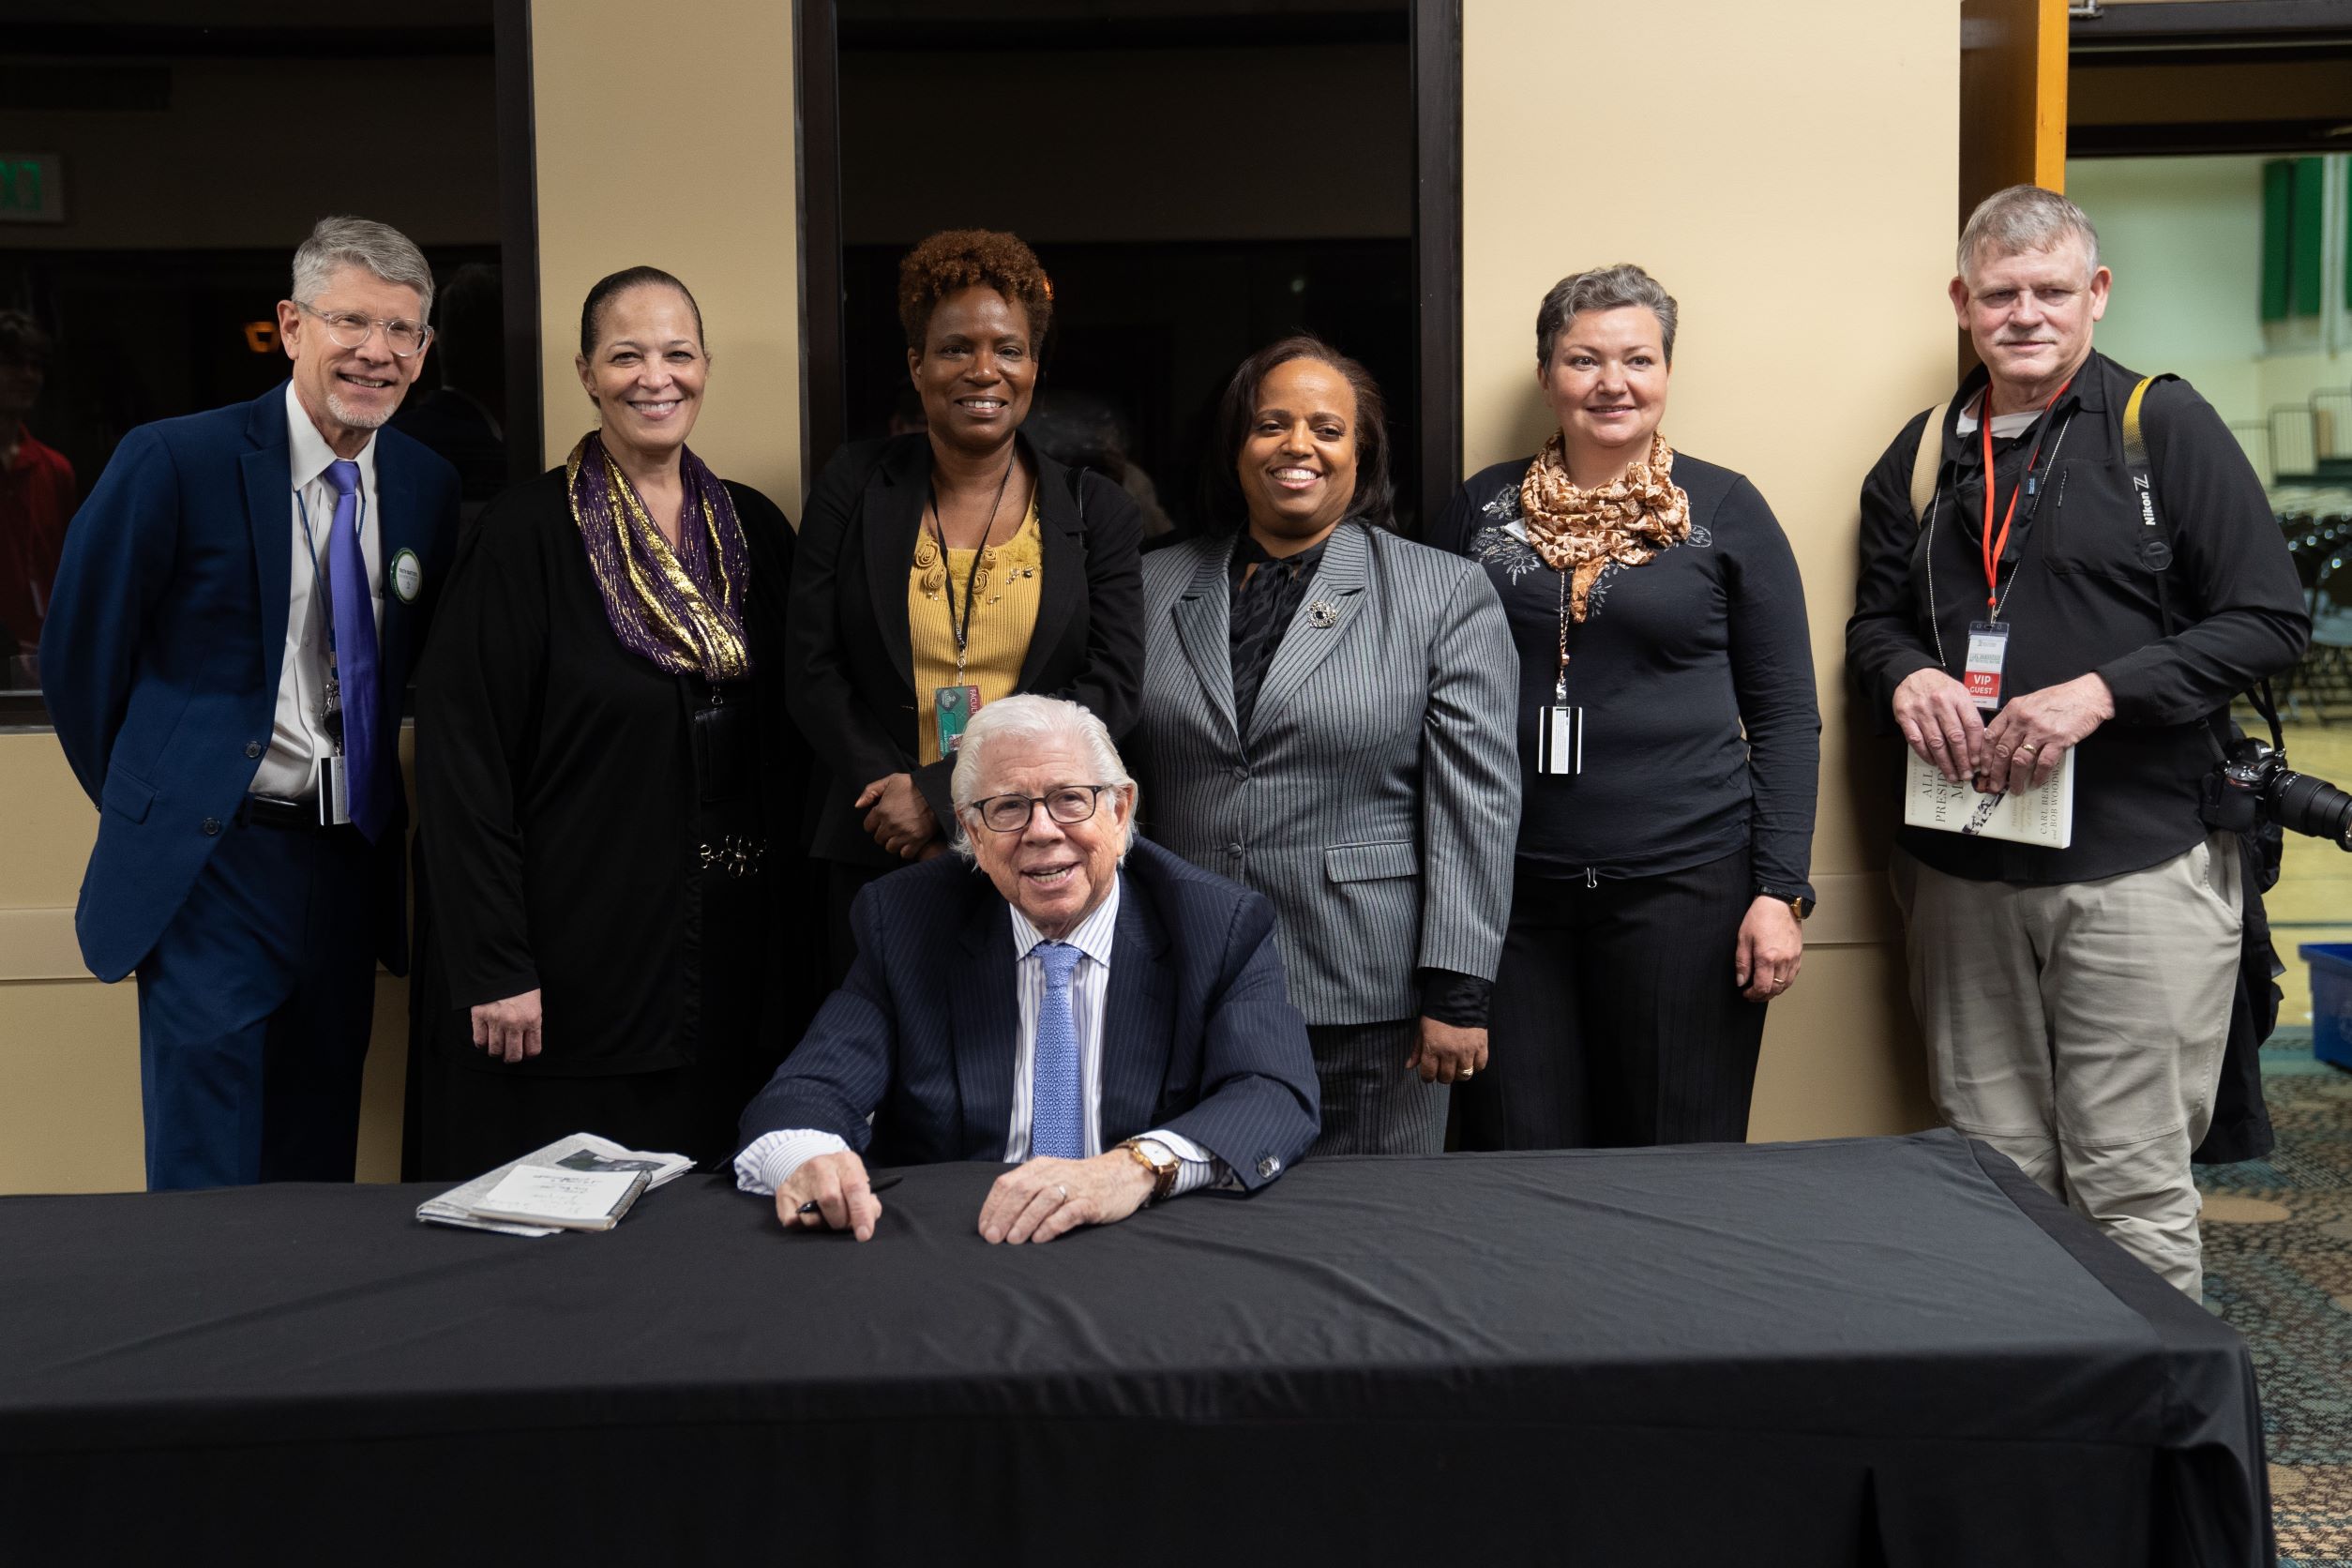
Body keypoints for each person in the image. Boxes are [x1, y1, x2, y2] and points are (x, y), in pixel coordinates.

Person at [1847, 186, 2308, 1297]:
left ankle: (2146, 1459)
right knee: (1990, 1175)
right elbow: (1874, 627)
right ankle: (2039, 1447)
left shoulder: (2163, 424)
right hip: (1963, 871)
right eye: (1999, 293)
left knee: (2131, 1186)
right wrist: (1906, 674)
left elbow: (2267, 618)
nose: (2025, 315)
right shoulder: (1918, 457)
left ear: (2095, 294)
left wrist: (2099, 693)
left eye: (2052, 291)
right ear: (1962, 303)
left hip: (2135, 860)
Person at [39, 216, 460, 1188]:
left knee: (316, 1163)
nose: (377, 352)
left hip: (348, 861)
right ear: (292, 324)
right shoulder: (174, 460)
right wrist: (167, 803)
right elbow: (80, 660)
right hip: (217, 867)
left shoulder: (427, 484)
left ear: (425, 350)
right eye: (351, 321)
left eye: (403, 331)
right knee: (207, 1173)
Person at [409, 266, 801, 1176]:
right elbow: (465, 764)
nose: (654, 377)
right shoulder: (523, 536)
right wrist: (496, 962)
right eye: (626, 355)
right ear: (586, 373)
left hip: (736, 957)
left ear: (705, 367)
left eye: (677, 354)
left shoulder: (754, 529)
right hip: (583, 960)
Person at [1428, 264, 1819, 1152]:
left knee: (1675, 1165)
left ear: (1668, 373)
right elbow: (1423, 696)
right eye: (1584, 360)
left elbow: (1788, 714)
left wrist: (1780, 891)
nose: (1613, 383)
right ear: (1546, 377)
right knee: (1517, 1166)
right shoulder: (1478, 511)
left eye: (1638, 359)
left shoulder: (1726, 510)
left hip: (1687, 893)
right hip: (1510, 899)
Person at [736, 694, 1319, 1243]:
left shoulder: (1214, 923)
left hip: (1145, 1242)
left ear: (1120, 811)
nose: (1042, 831)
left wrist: (1132, 1168)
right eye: (1008, 808)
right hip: (959, 1245)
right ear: (971, 833)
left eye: (1071, 798)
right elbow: (811, 1087)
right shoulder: (907, 923)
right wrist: (809, 1156)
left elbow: (1271, 1092)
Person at [1130, 337, 1517, 1154]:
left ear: (1361, 453)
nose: (1297, 445)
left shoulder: (1441, 592)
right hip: (1186, 982)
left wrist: (1458, 992)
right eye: (1270, 424)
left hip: (1370, 993)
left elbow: (1475, 804)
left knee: (1372, 1238)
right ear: (1237, 444)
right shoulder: (1150, 586)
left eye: (1327, 428)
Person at [788, 230, 1145, 983]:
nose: (984, 370)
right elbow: (811, 668)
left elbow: (1111, 690)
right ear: (917, 365)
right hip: (873, 844)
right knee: (876, 1071)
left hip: (1038, 850)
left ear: (1034, 367)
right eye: (955, 348)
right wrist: (900, 808)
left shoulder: (1095, 511)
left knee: (1006, 1077)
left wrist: (944, 801)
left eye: (1007, 349)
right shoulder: (853, 486)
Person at [0, 309, 75, 687]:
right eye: (14, 363)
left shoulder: (53, 468)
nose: (28, 376)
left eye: (36, 365)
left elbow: (65, 565)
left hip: (44, 658)